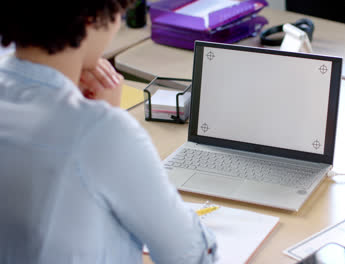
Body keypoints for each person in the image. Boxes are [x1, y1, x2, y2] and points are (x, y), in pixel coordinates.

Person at [0, 1, 217, 264]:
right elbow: (190, 256)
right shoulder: (101, 132)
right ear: (91, 17)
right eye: (119, 12)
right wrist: (108, 121)